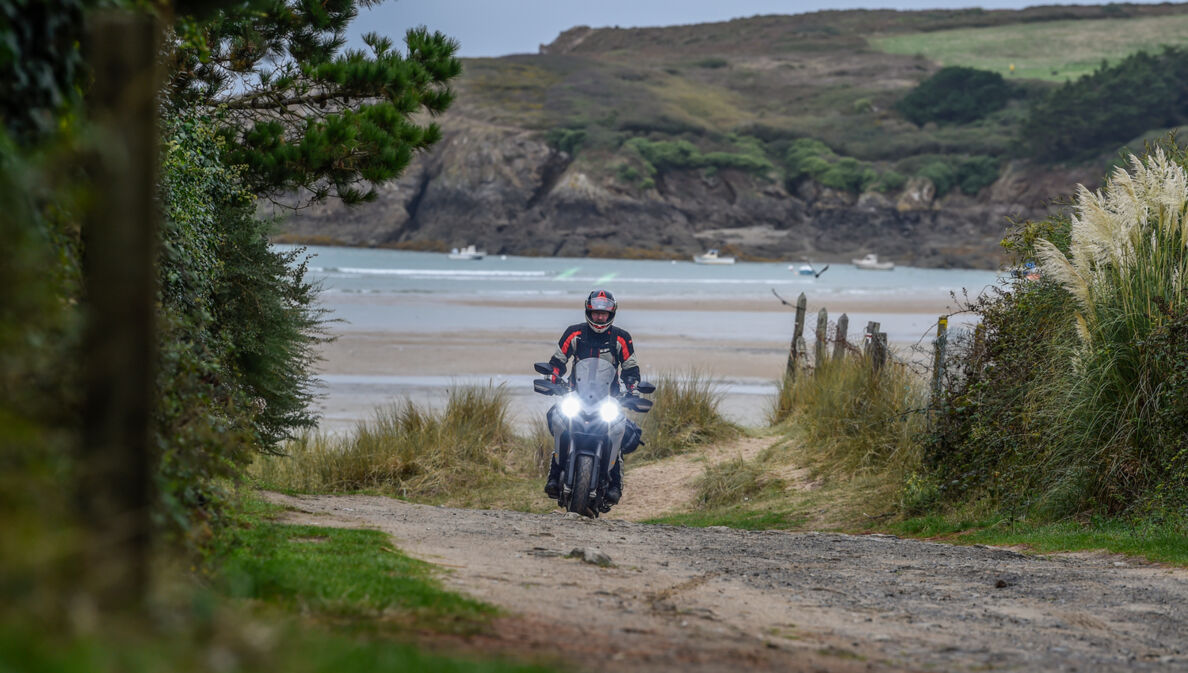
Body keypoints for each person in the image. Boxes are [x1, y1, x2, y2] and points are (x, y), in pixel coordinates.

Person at [543, 289, 642, 504]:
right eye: (596, 312)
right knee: (558, 421)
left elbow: (631, 369)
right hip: (576, 396)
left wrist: (633, 389)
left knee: (619, 429)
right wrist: (552, 378)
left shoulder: (621, 338)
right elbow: (558, 362)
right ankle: (554, 475)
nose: (599, 317)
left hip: (609, 400)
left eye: (603, 314)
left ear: (611, 314)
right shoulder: (574, 333)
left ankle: (615, 483)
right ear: (589, 311)